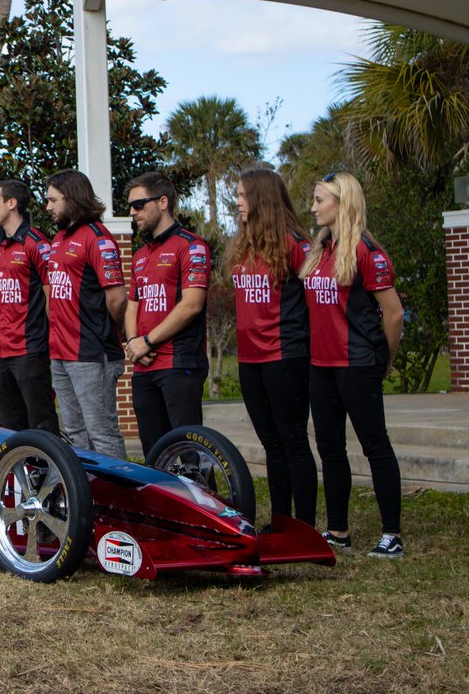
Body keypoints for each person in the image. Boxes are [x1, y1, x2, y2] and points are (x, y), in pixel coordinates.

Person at [300, 171, 405, 558]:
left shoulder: (366, 250)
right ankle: (338, 531)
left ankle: (391, 534)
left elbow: (393, 314)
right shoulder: (321, 248)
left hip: (357, 363)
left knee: (375, 445)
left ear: (342, 203)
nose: (313, 207)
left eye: (320, 200)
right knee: (330, 448)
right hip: (320, 365)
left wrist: (384, 360)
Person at [226, 168, 316, 526]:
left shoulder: (295, 244)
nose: (237, 201)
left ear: (261, 198)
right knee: (271, 443)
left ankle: (304, 525)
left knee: (292, 440)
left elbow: (317, 300)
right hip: (249, 358)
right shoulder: (244, 245)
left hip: (285, 355)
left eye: (242, 195)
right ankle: (280, 520)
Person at [123, 171, 210, 458]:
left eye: (139, 205)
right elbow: (132, 304)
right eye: (130, 206)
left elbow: (192, 305)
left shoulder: (191, 245)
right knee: (155, 455)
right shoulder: (140, 255)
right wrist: (134, 342)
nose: (132, 212)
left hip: (179, 364)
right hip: (144, 366)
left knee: (188, 454)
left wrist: (147, 341)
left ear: (162, 202)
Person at [44, 170, 127, 457]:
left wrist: (113, 332)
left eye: (53, 200)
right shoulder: (58, 239)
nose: (48, 207)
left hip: (91, 354)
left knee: (102, 434)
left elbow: (117, 299)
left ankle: (117, 487)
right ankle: (88, 486)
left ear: (72, 198)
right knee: (76, 435)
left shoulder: (97, 238)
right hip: (60, 353)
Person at [0, 179, 58, 433]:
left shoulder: (37, 243)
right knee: (11, 426)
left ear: (12, 203)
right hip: (2, 352)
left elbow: (52, 298)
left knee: (41, 424)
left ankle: (47, 462)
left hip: (30, 350)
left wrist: (51, 342)